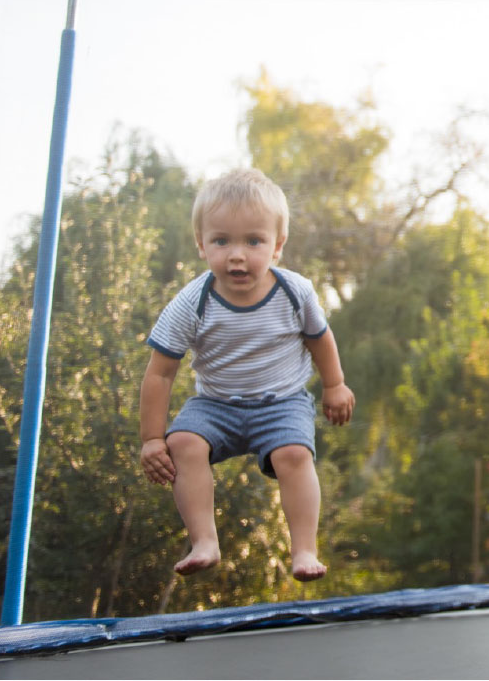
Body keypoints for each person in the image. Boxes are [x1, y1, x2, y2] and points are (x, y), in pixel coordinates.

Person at [138, 167, 355, 581]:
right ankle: (203, 540)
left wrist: (334, 384)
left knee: (293, 454)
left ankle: (305, 550)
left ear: (277, 246)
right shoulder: (192, 302)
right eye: (222, 241)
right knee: (182, 441)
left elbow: (319, 338)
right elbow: (160, 373)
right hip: (215, 403)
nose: (237, 254)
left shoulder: (295, 292)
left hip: (282, 401)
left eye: (253, 241)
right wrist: (151, 439)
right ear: (202, 245)